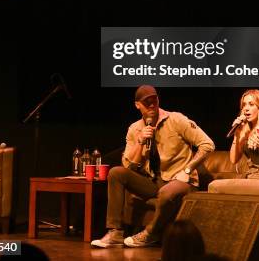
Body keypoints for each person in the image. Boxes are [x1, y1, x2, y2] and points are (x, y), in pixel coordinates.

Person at [91, 85, 215, 248]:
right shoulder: (135, 129)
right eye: (146, 102)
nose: (151, 104)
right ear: (137, 105)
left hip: (181, 180)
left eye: (154, 100)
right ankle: (115, 232)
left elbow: (208, 144)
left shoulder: (176, 119)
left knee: (166, 192)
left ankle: (150, 233)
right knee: (116, 173)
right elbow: (130, 167)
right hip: (153, 181)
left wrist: (187, 170)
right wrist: (140, 142)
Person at [208, 89, 259, 197]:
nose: (246, 108)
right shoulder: (246, 129)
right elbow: (234, 160)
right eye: (244, 105)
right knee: (214, 186)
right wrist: (237, 134)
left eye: (251, 104)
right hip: (251, 177)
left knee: (214, 186)